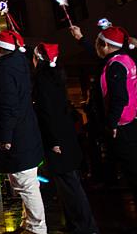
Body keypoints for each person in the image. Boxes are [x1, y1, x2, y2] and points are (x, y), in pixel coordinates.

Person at [0, 29, 46, 234]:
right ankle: (30, 223)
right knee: (25, 182)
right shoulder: (16, 63)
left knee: (26, 184)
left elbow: (8, 106)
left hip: (17, 137)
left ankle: (37, 228)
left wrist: (5, 137)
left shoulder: (5, 72)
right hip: (24, 133)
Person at [31, 42, 98, 234]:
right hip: (65, 138)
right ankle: (79, 224)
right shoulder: (55, 75)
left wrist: (53, 141)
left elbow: (48, 113)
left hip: (58, 141)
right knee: (70, 185)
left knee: (70, 187)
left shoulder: (43, 79)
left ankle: (84, 226)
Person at [76, 25, 137, 201]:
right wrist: (81, 39)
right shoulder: (125, 59)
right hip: (130, 122)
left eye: (97, 43)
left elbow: (119, 98)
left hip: (122, 126)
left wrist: (112, 124)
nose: (95, 47)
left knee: (132, 174)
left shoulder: (114, 66)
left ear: (104, 45)